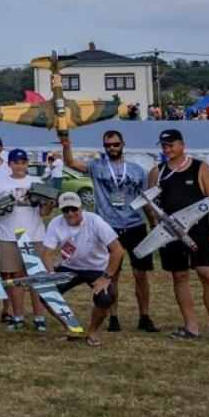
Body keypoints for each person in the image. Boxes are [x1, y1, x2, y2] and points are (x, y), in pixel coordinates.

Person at [61, 129, 158, 333]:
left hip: (135, 225)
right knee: (112, 274)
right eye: (108, 145)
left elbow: (146, 201)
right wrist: (66, 144)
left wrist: (153, 224)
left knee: (141, 274)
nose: (112, 148)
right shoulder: (97, 167)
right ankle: (113, 317)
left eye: (115, 144)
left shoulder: (137, 170)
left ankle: (145, 317)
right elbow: (71, 163)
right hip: (108, 227)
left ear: (123, 143)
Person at [147, 129, 209, 343]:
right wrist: (155, 226)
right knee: (180, 276)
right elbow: (150, 205)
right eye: (164, 146)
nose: (167, 149)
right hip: (170, 234)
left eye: (171, 145)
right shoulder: (158, 172)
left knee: (208, 274)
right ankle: (190, 326)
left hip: (199, 231)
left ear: (182, 145)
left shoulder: (200, 168)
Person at [40, 193, 124, 345]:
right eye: (66, 210)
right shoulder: (55, 223)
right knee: (46, 292)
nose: (70, 213)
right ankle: (70, 328)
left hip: (97, 268)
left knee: (105, 298)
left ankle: (93, 330)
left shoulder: (95, 221)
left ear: (81, 208)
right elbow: (47, 252)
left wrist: (106, 277)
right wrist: (51, 274)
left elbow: (118, 250)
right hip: (69, 266)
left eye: (74, 209)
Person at [0, 149, 54, 331]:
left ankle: (39, 317)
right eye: (16, 162)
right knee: (15, 277)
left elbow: (43, 212)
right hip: (8, 236)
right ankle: (18, 316)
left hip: (34, 236)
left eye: (23, 162)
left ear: (27, 164)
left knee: (36, 278)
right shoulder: (0, 182)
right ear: (9, 164)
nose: (20, 166)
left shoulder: (37, 182)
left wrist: (49, 203)